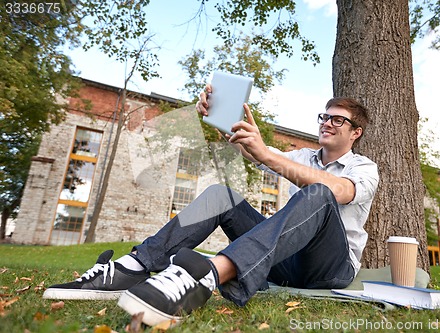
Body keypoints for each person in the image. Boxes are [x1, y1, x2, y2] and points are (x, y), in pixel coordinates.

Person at [43, 88, 379, 328]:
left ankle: (206, 275)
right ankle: (131, 267)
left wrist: (267, 154)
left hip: (330, 269)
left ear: (355, 132)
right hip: (285, 261)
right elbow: (255, 152)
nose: (327, 123)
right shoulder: (302, 157)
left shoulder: (365, 168)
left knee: (318, 193)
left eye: (337, 120)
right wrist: (221, 118)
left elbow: (336, 191)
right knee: (222, 195)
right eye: (325, 116)